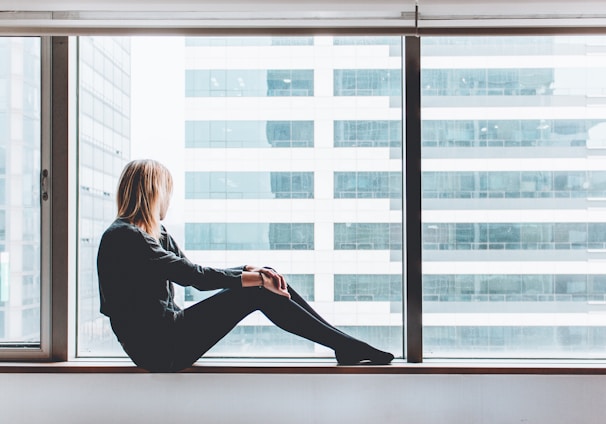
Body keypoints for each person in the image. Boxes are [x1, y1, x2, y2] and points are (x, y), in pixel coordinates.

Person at [97, 159, 394, 372]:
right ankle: (343, 345)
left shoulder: (155, 234)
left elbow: (191, 269)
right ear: (153, 193)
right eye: (168, 193)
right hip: (160, 348)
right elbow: (193, 277)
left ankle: (342, 343)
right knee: (257, 289)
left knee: (263, 277)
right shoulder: (124, 237)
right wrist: (254, 279)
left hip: (170, 335)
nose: (170, 201)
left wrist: (253, 270)